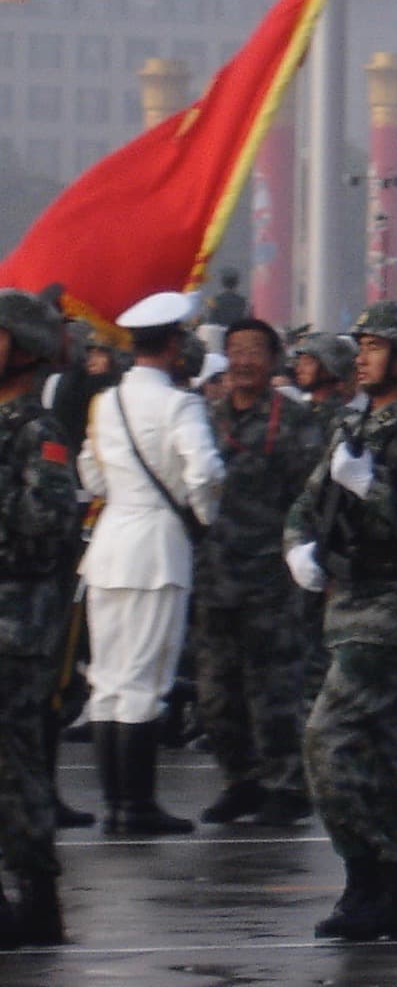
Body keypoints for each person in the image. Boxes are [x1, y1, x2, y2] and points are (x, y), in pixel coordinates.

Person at [283, 300, 397, 942]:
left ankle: (364, 875)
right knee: (380, 758)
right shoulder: (350, 430)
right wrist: (298, 546)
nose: (362, 354)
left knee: (326, 740)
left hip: (389, 606)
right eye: (359, 344)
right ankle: (391, 892)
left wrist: (371, 489)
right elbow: (307, 501)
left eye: (376, 345)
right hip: (345, 604)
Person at [77, 290, 221, 837]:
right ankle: (135, 806)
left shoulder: (105, 402)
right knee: (144, 680)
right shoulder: (180, 405)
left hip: (109, 547)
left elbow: (90, 475)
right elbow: (205, 472)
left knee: (109, 681)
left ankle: (117, 802)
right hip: (157, 550)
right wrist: (205, 514)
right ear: (174, 344)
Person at [195, 317, 330, 826]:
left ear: (274, 361)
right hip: (214, 575)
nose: (244, 360)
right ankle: (240, 781)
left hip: (271, 578)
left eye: (255, 350)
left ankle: (286, 784)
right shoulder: (205, 418)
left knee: (274, 689)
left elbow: (314, 496)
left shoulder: (295, 423)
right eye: (235, 349)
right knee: (215, 693)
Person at [0, 288, 83, 947]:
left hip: (16, 625)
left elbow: (44, 528)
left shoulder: (38, 432)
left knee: (16, 763)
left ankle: (36, 898)